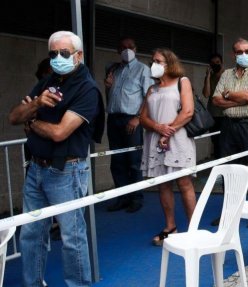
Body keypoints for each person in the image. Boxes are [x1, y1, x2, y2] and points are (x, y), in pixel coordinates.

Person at [8, 30, 104, 287]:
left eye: (64, 53)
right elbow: (14, 117)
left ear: (78, 55)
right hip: (36, 169)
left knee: (72, 237)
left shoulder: (87, 89)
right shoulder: (47, 83)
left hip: (67, 171)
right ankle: (33, 283)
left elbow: (60, 132)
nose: (58, 57)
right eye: (53, 53)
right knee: (31, 233)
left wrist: (33, 119)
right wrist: (37, 102)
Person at [139, 48, 197, 246]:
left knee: (184, 183)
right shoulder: (152, 89)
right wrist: (158, 128)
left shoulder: (183, 82)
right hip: (156, 140)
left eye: (158, 61)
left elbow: (188, 111)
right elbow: (143, 117)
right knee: (162, 184)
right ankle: (170, 227)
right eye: (152, 60)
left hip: (178, 140)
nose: (154, 64)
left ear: (169, 63)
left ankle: (193, 228)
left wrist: (168, 131)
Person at [212, 38, 248, 228]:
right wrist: (239, 100)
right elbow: (216, 100)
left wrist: (228, 95)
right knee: (229, 171)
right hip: (229, 126)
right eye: (239, 51)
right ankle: (229, 214)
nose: (244, 55)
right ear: (233, 54)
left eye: (247, 51)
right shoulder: (226, 74)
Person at [104, 37, 153, 213]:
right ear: (118, 50)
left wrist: (138, 117)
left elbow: (149, 95)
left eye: (130, 47)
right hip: (114, 119)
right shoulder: (115, 70)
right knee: (116, 161)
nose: (126, 50)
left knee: (133, 160)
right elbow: (110, 96)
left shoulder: (143, 70)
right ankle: (122, 198)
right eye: (123, 47)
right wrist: (108, 87)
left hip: (131, 119)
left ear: (136, 49)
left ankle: (136, 198)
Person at [202, 53, 225, 159]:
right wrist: (207, 76)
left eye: (217, 63)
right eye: (212, 63)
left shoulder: (227, 76)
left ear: (221, 63)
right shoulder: (210, 77)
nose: (215, 65)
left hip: (224, 114)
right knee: (215, 141)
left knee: (223, 142)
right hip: (212, 114)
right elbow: (206, 94)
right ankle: (218, 163)